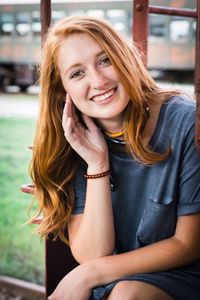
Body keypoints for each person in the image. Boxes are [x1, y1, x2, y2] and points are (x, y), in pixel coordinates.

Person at [29, 15, 200, 300]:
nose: (98, 80)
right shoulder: (76, 140)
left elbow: (189, 243)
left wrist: (89, 274)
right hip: (117, 279)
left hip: (184, 273)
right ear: (63, 92)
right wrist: (97, 164)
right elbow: (93, 253)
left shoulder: (184, 121)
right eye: (77, 73)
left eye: (105, 60)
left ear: (124, 58)